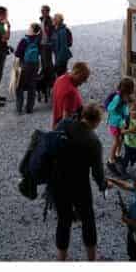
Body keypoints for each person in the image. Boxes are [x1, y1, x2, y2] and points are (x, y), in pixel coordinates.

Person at [50, 102, 110, 261]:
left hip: (58, 182)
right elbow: (97, 173)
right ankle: (92, 259)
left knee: (63, 221)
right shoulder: (93, 141)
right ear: (96, 122)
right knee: (88, 221)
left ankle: (61, 258)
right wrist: (104, 185)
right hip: (79, 186)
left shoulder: (64, 124)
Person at [106, 76, 136, 174]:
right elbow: (110, 109)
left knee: (121, 139)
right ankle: (110, 161)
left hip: (121, 123)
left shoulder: (125, 97)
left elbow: (125, 108)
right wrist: (120, 118)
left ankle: (117, 155)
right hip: (115, 124)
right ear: (128, 89)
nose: (134, 90)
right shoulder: (118, 98)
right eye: (133, 88)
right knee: (117, 141)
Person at [13, 22, 43, 114]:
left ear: (31, 30)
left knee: (19, 86)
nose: (28, 29)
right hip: (35, 64)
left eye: (29, 28)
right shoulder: (38, 40)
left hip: (25, 65)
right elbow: (40, 52)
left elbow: (17, 53)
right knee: (32, 86)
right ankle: (29, 108)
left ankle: (19, 108)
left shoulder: (24, 40)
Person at [52, 61, 91, 127]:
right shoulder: (71, 92)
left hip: (56, 123)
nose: (85, 81)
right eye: (84, 78)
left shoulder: (60, 79)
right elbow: (67, 119)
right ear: (76, 73)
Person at [38, 5, 56, 102]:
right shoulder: (42, 19)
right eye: (41, 10)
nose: (42, 12)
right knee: (45, 64)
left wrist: (50, 42)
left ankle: (49, 84)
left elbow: (52, 33)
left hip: (47, 46)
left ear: (48, 11)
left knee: (47, 65)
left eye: (43, 11)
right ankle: (46, 84)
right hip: (42, 45)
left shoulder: (50, 21)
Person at [52, 12, 74, 78]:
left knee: (61, 74)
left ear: (57, 21)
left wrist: (58, 61)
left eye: (54, 19)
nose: (53, 20)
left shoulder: (62, 31)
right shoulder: (57, 30)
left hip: (62, 57)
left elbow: (63, 47)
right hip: (59, 56)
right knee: (61, 73)